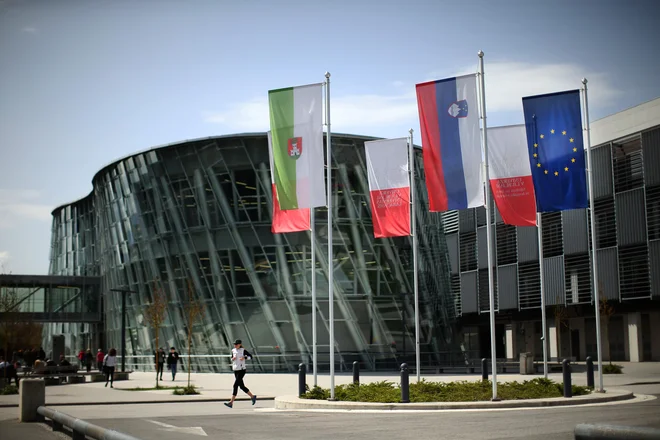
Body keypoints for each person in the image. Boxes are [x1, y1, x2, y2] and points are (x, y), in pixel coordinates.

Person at [224, 339, 257, 408]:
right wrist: (233, 358)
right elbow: (231, 358)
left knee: (235, 385)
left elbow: (250, 357)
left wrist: (244, 357)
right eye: (234, 344)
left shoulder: (243, 350)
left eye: (236, 344)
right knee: (241, 386)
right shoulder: (233, 350)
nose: (235, 345)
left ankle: (231, 402)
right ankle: (252, 396)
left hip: (242, 370)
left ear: (239, 344)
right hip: (235, 369)